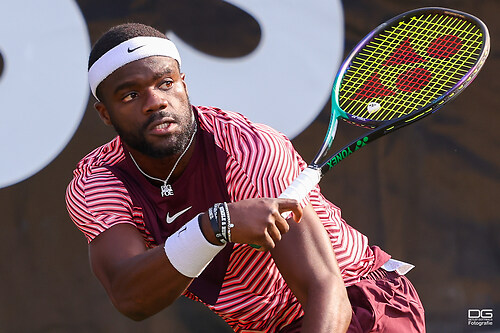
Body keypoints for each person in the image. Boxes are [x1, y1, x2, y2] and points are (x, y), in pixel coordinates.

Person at [65, 23, 425, 333]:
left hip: (359, 303)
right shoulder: (98, 181)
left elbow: (325, 290)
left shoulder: (249, 150)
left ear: (184, 86)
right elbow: (131, 297)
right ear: (105, 114)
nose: (155, 101)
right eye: (130, 94)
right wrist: (214, 226)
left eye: (165, 83)